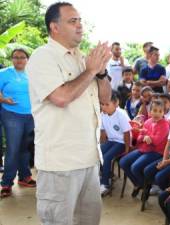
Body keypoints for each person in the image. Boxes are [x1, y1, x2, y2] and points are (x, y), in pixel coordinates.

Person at [26, 2, 112, 224]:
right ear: (54, 27)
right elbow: (61, 97)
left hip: (89, 160)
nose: (80, 26)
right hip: (60, 164)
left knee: (88, 220)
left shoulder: (82, 58)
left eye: (80, 20)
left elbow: (105, 99)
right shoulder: (42, 57)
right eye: (72, 21)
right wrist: (91, 70)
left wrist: (101, 73)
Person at [0, 48, 35, 198]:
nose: (19, 60)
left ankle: (24, 177)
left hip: (31, 116)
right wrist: (3, 99)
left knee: (25, 148)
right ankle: (6, 183)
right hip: (11, 115)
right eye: (15, 57)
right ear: (12, 59)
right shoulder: (4, 73)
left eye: (22, 57)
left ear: (27, 59)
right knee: (13, 149)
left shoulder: (33, 73)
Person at [119, 100, 170, 196]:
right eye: (154, 110)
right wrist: (145, 137)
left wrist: (147, 137)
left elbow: (156, 141)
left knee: (135, 167)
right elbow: (139, 138)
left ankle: (145, 186)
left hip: (156, 152)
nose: (157, 113)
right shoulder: (147, 121)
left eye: (160, 111)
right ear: (150, 111)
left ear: (164, 112)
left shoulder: (165, 124)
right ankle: (139, 184)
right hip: (143, 149)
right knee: (123, 162)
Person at [99, 91, 131, 195]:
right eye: (102, 104)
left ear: (116, 103)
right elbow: (103, 132)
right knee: (98, 152)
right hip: (111, 140)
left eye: (107, 104)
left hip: (122, 142)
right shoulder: (102, 114)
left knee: (107, 157)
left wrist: (127, 149)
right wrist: (102, 145)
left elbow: (127, 133)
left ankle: (105, 184)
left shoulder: (121, 114)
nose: (104, 107)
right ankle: (107, 174)